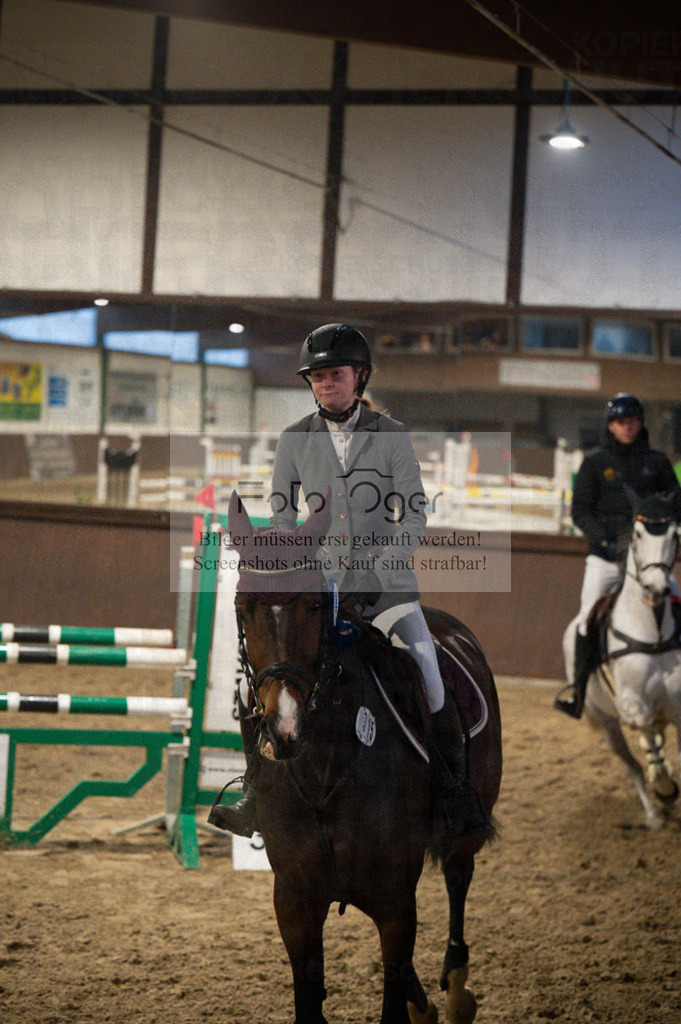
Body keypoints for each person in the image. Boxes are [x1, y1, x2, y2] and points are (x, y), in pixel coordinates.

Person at [211, 323, 488, 839]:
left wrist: (392, 555)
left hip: (385, 591)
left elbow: (415, 512)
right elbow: (280, 518)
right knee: (267, 680)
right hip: (319, 591)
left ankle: (454, 791)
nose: (325, 385)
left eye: (334, 375)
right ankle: (254, 791)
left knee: (429, 674)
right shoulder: (294, 440)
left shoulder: (393, 436)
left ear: (359, 377)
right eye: (316, 377)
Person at [554, 392, 681, 718]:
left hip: (650, 560)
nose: (628, 426)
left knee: (678, 599)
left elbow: (674, 506)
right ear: (610, 425)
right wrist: (605, 541)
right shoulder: (594, 463)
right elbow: (580, 511)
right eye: (622, 422)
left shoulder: (658, 462)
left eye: (634, 421)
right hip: (606, 558)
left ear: (641, 423)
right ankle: (578, 692)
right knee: (585, 620)